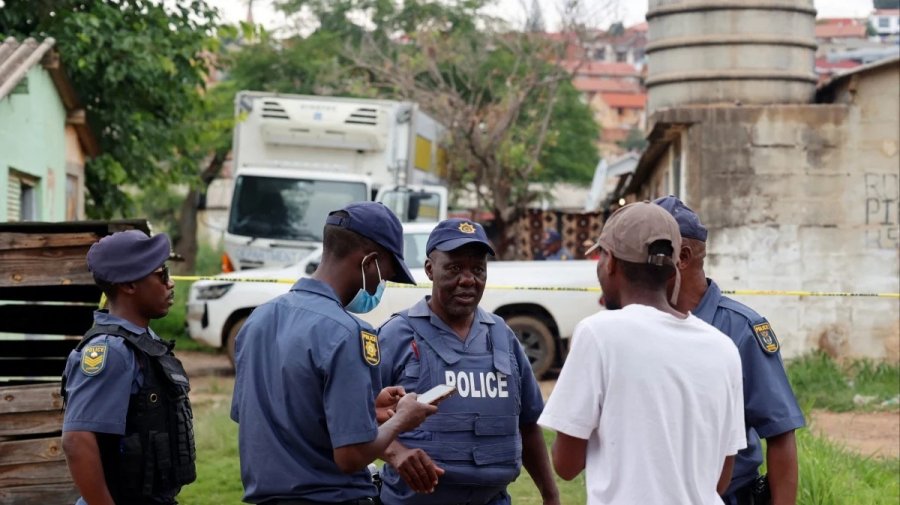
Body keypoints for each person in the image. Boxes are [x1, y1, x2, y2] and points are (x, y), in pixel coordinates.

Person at [538, 202, 746, 505]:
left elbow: (566, 465)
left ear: (610, 263)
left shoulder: (598, 334)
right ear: (673, 268)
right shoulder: (723, 348)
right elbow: (721, 478)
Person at [230, 201, 437, 504]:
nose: (380, 286)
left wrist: (364, 408)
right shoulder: (349, 333)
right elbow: (351, 456)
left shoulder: (258, 320)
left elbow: (264, 415)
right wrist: (402, 419)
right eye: (385, 276)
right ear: (370, 262)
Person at [377, 218, 560, 505]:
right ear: (430, 269)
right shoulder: (397, 335)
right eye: (454, 268)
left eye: (478, 269)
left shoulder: (503, 336)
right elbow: (354, 419)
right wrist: (396, 453)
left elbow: (528, 424)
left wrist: (551, 496)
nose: (468, 279)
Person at [655, 195, 805, 505]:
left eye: (649, 254)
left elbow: (779, 433)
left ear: (682, 257)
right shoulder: (641, 324)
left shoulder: (741, 329)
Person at [61, 230, 195, 505]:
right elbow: (77, 441)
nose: (170, 283)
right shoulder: (110, 351)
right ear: (129, 285)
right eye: (161, 274)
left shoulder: (143, 342)